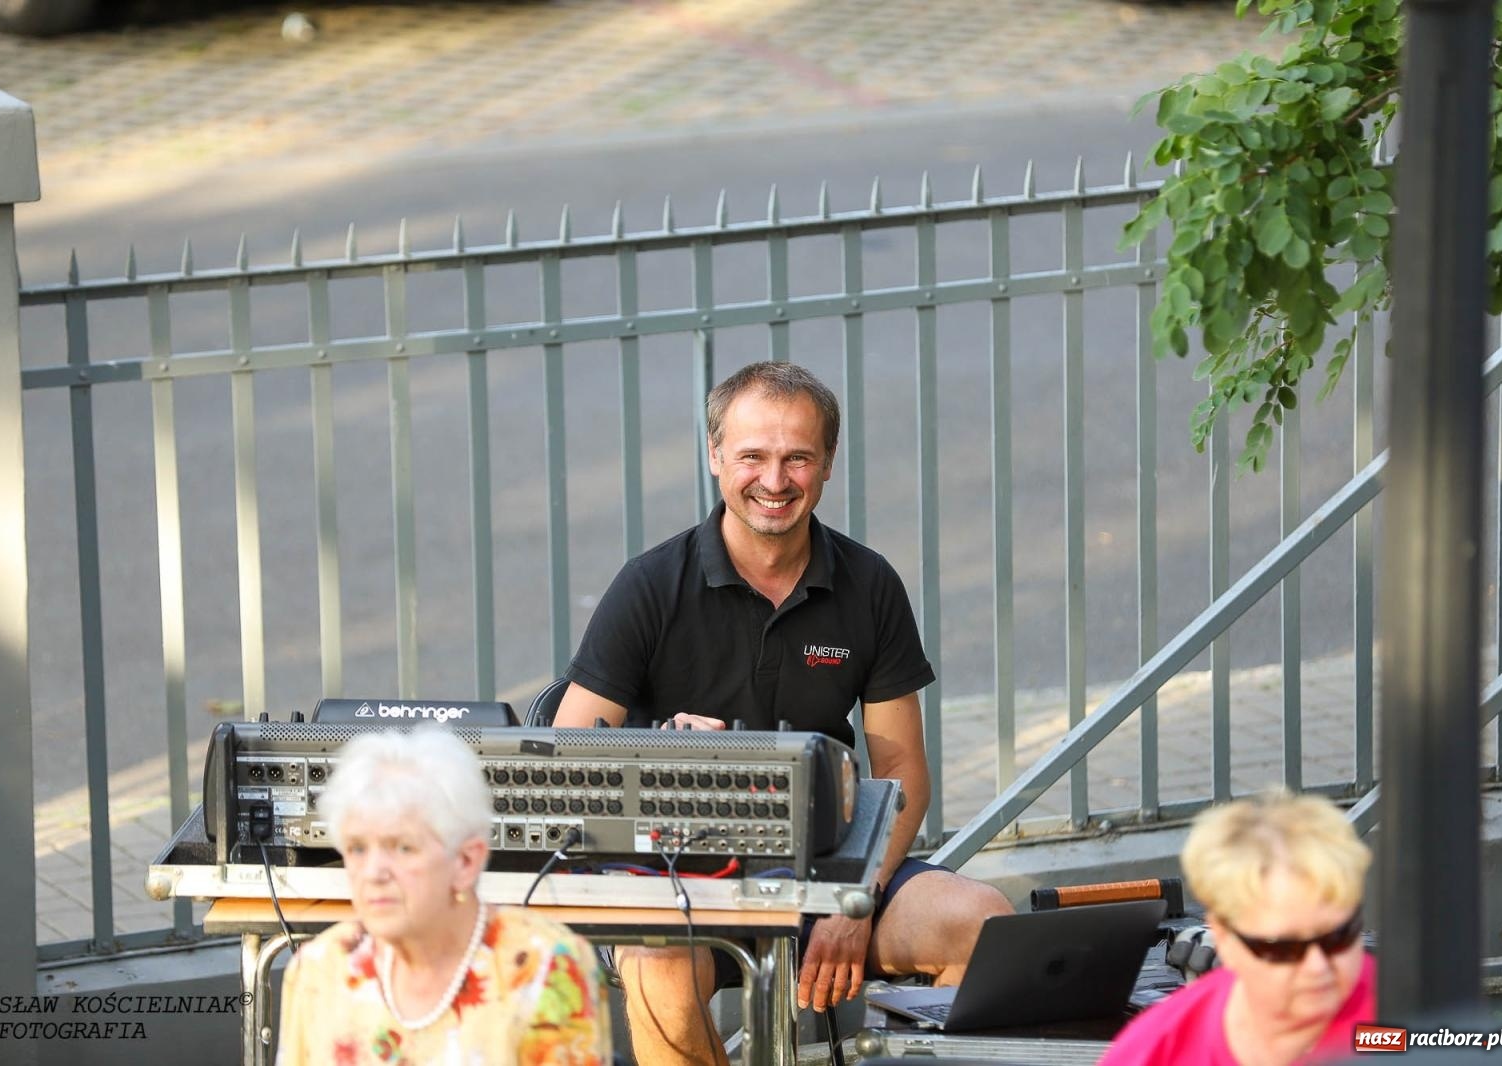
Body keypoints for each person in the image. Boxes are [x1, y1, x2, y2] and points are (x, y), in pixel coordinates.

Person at [554, 361, 1014, 1066]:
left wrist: (853, 899)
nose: (775, 481)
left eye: (798, 457)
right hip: (682, 880)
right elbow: (569, 748)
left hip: (829, 871)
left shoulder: (870, 583)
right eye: (753, 457)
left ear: (827, 463)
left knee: (984, 924)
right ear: (715, 457)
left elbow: (900, 769)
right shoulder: (649, 585)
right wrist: (660, 746)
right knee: (660, 973)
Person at [275, 729, 612, 1065]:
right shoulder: (319, 968)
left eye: (403, 847)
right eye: (358, 848)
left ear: (465, 862)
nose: (373, 872)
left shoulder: (547, 967)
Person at [1100, 791, 1375, 1066]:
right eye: (1282, 947)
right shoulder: (1155, 1052)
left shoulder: (1400, 1020)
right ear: (1224, 938)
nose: (1318, 966)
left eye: (1339, 935)